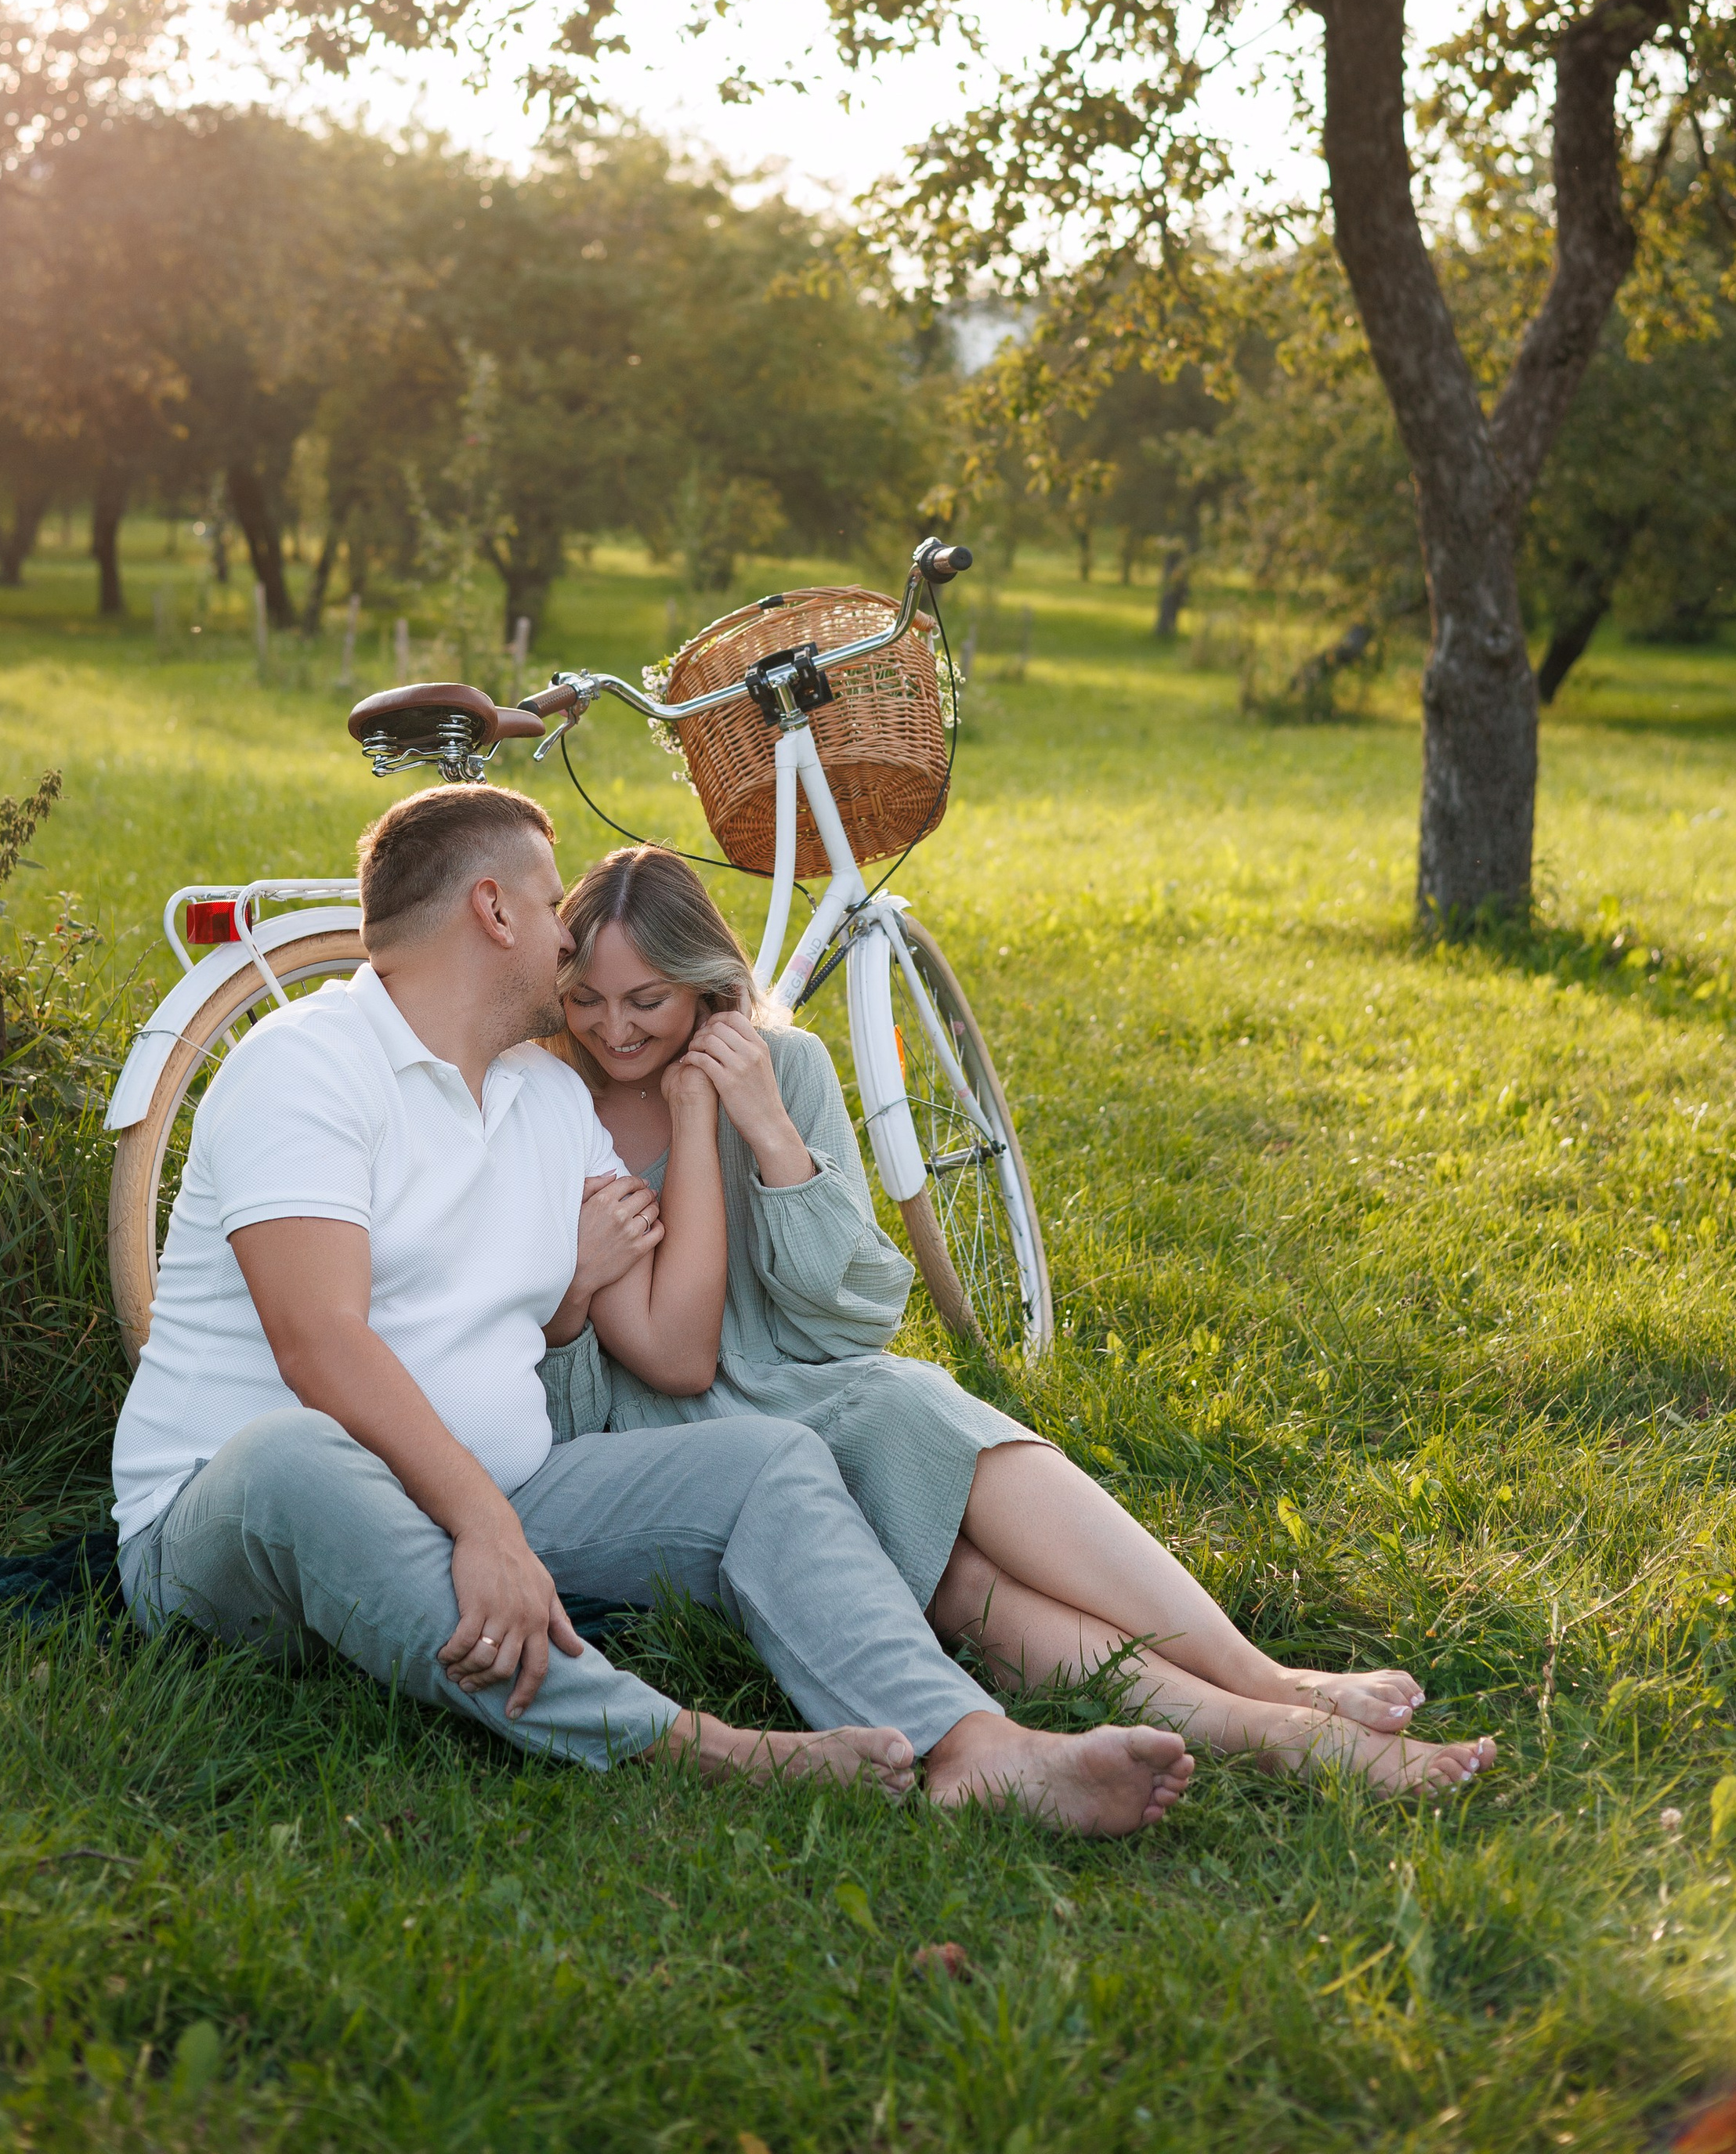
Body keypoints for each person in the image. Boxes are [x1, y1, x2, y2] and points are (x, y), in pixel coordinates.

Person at [110, 781, 1196, 1838]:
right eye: (549, 907)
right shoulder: (303, 1065)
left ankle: (970, 1745)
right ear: (494, 911)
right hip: (242, 1525)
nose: (568, 942)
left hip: (505, 1497)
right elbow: (320, 1343)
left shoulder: (546, 1096)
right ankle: (697, 1748)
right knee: (291, 1457)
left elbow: (675, 1353)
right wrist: (485, 1526)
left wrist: (683, 1116)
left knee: (764, 1460)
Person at [543, 846, 1497, 1798]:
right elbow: (606, 1354)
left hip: (800, 1379)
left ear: (705, 986)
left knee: (913, 1404)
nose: (613, 1028)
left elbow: (856, 1317)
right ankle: (1269, 1728)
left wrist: (771, 1134)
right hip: (662, 1430)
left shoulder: (782, 1064)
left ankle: (1266, 1682)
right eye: (587, 999)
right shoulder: (549, 1102)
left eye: (646, 999)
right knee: (951, 1569)